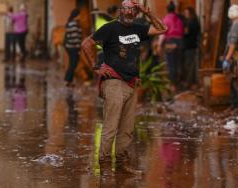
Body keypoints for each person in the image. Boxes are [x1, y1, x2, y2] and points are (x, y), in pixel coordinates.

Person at [81, 0, 167, 175]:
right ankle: (104, 165)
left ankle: (121, 163)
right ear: (120, 11)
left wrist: (148, 12)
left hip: (131, 83)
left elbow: (162, 29)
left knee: (127, 129)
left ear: (136, 12)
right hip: (113, 82)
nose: (129, 12)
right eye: (126, 8)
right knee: (111, 126)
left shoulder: (138, 28)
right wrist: (96, 67)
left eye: (132, 10)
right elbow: (86, 44)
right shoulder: (110, 28)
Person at [157, 1, 184, 91]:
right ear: (174, 9)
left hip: (170, 42)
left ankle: (173, 86)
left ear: (167, 10)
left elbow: (163, 33)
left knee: (171, 64)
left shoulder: (166, 19)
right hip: (180, 42)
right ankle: (179, 84)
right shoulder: (179, 19)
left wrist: (159, 45)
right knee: (179, 64)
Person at [182, 6, 200, 90]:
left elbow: (186, 32)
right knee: (191, 65)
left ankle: (191, 84)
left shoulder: (191, 22)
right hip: (191, 46)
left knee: (190, 66)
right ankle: (191, 83)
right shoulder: (195, 21)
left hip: (190, 47)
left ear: (190, 13)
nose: (185, 15)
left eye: (186, 13)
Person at [63, 9, 82, 87]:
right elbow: (75, 38)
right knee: (73, 64)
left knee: (72, 64)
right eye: (79, 15)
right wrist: (78, 49)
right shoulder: (73, 24)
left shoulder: (72, 23)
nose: (80, 16)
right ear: (76, 15)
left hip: (70, 47)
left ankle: (69, 81)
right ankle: (67, 80)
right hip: (73, 48)